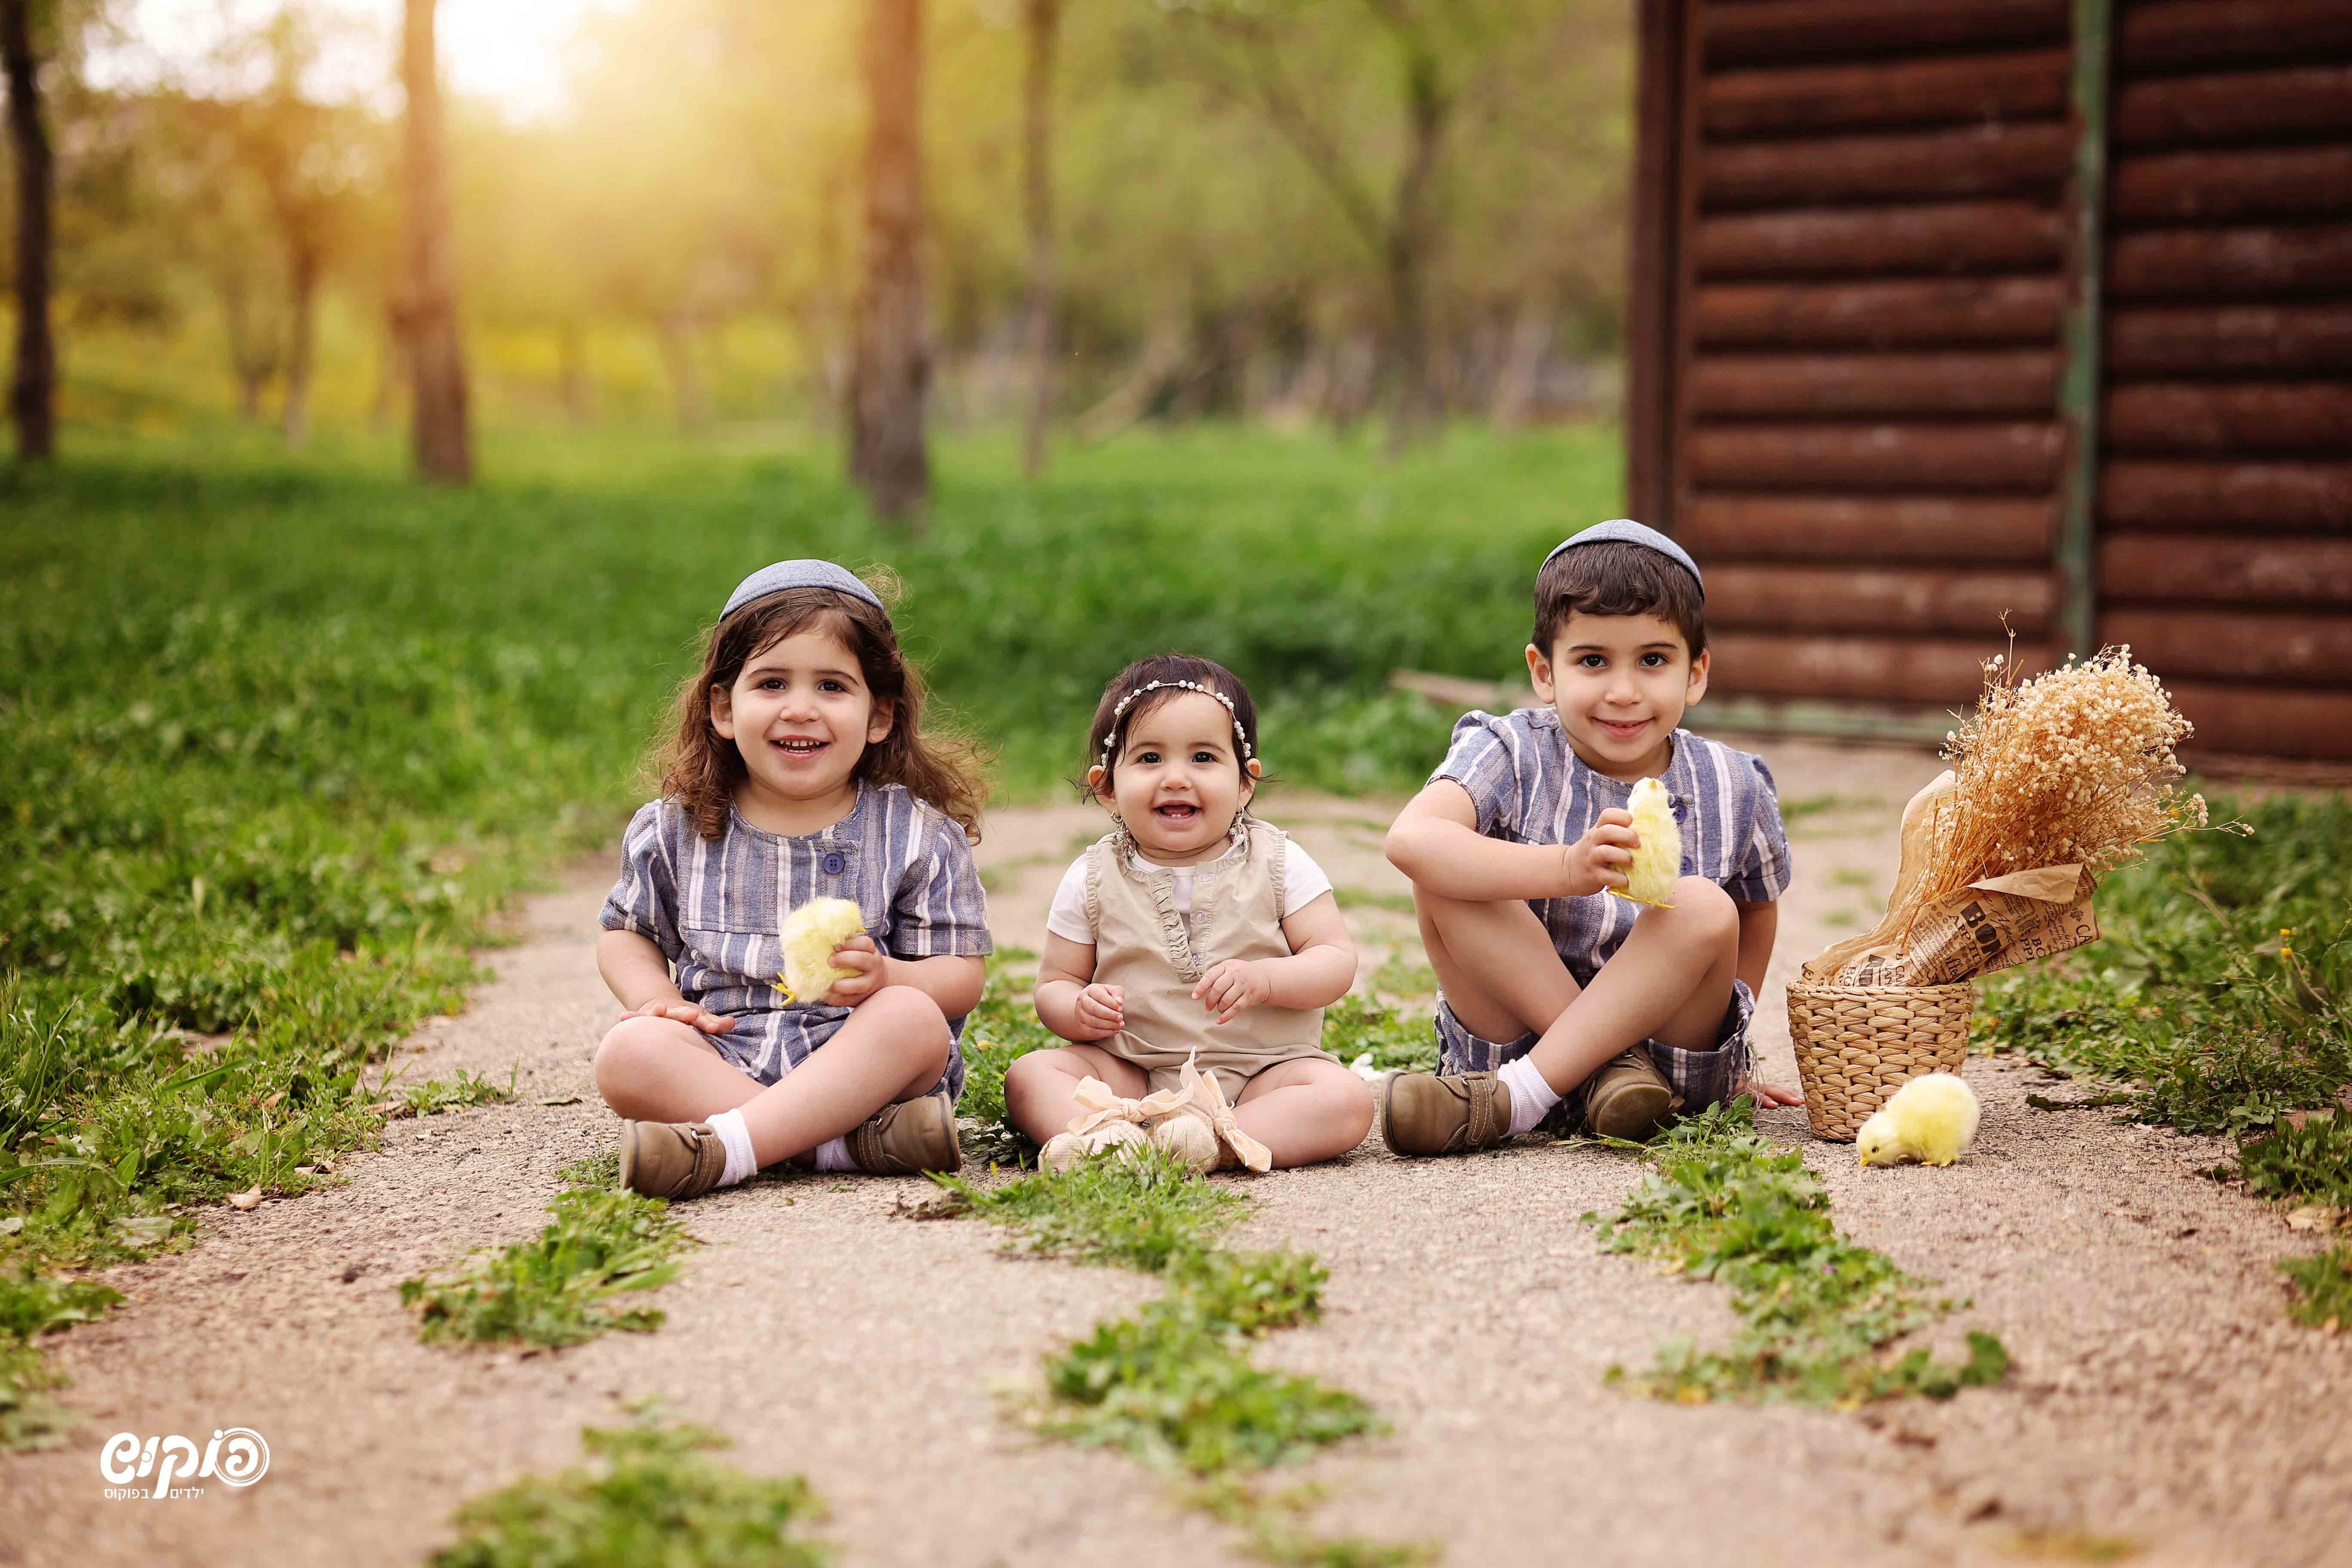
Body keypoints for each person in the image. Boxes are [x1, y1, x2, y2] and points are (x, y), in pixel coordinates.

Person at [1380, 520, 1801, 1156]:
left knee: (1702, 905)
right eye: (1592, 661)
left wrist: (1732, 1052)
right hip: (1518, 1031)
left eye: (1652, 661)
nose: (1623, 692)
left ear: (1695, 673)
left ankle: (1517, 1099)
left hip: (1667, 1053)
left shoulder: (1732, 782)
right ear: (1543, 672)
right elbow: (1410, 839)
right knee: (1446, 872)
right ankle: (1595, 1072)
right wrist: (1564, 870)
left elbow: (1755, 911)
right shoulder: (1509, 748)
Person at [593, 561, 993, 1198]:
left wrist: (889, 978)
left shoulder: (916, 834)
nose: (800, 709)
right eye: (772, 683)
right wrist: (653, 999)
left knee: (912, 1017)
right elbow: (627, 933)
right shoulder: (674, 828)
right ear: (723, 708)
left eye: (832, 686)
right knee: (627, 1053)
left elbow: (961, 977)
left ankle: (729, 1149)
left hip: (861, 1063)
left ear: (878, 716)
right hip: (721, 1055)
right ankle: (837, 1145)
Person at [1002, 655, 1372, 1172]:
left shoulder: (1279, 862)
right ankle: (1109, 1136)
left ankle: (1208, 1140)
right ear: (1107, 788)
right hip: (1131, 1071)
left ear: (1244, 783)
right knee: (1029, 1075)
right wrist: (1077, 1007)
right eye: (1149, 758)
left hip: (1263, 1073)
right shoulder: (1091, 878)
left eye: (1202, 757)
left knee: (1345, 1099)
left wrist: (1266, 979)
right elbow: (1055, 984)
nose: (1176, 778)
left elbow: (1334, 960)